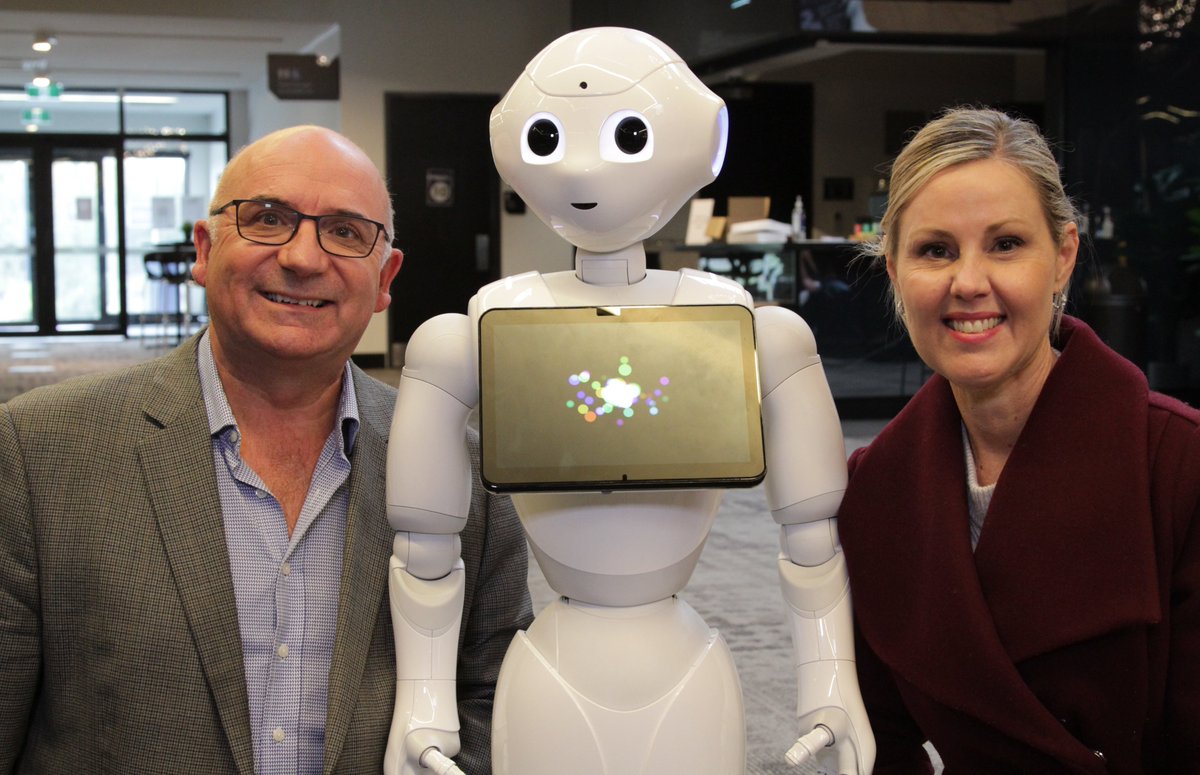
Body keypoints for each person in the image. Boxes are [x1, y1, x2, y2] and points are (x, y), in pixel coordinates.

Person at [0, 125, 533, 774]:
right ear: (204, 247)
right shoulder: (37, 454)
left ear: (385, 276)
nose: (304, 257)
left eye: (344, 231)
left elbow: (493, 698)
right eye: (269, 218)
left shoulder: (463, 467)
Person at [840, 106, 1200, 773]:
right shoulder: (875, 491)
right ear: (893, 271)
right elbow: (880, 743)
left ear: (1062, 258)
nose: (969, 282)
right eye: (935, 249)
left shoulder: (1180, 466)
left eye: (1005, 243)